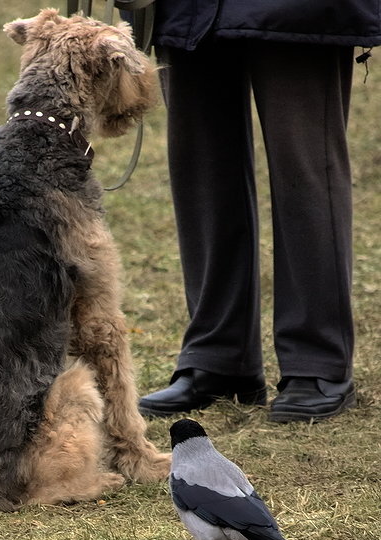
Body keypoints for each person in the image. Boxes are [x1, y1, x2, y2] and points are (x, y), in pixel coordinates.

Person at [137, 2, 381, 422]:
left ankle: (316, 362)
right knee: (201, 171)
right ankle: (218, 357)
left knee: (305, 169)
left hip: (296, 11)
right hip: (191, 10)